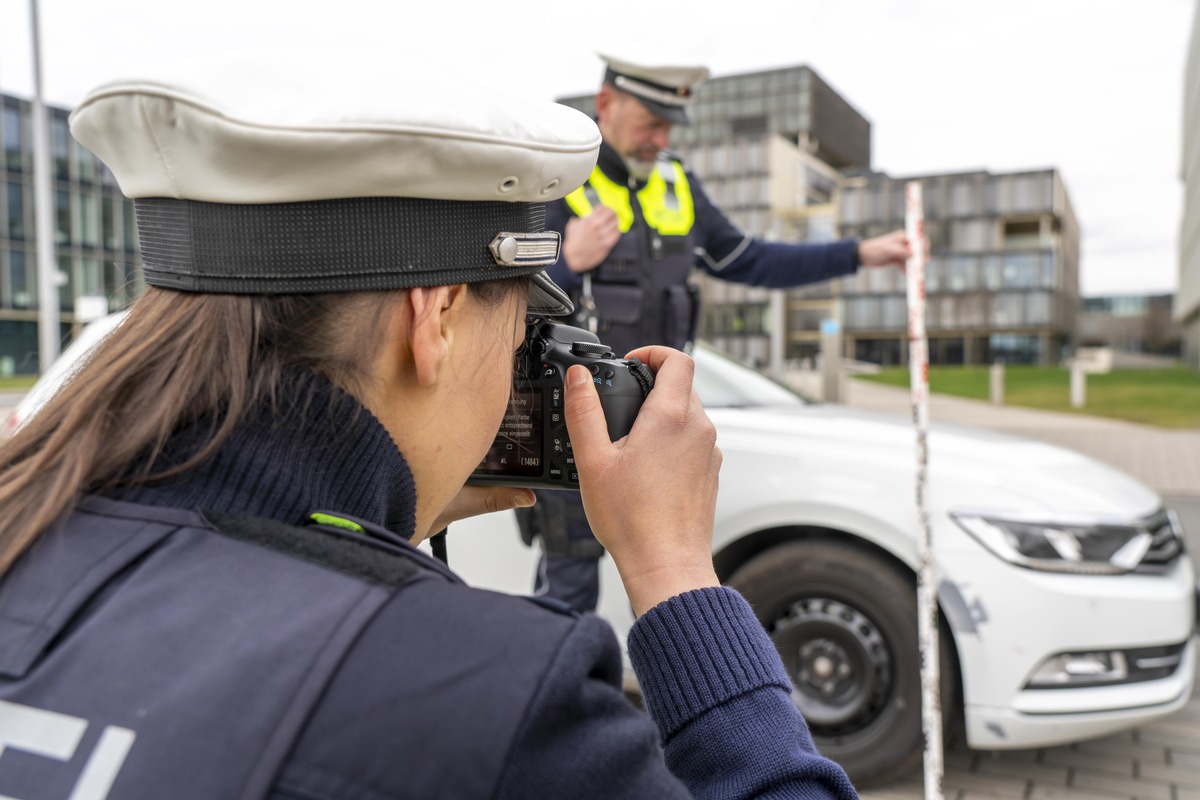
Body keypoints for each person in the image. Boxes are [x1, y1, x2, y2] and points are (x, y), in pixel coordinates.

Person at [0, 53, 859, 799]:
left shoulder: (25, 520)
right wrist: (677, 576)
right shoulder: (492, 703)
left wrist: (391, 520)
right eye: (520, 320)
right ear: (437, 317)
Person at [518, 53, 916, 613]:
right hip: (574, 425)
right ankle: (569, 698)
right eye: (650, 122)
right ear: (605, 105)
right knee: (568, 592)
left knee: (668, 584)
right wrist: (570, 261)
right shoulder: (558, 179)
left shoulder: (679, 183)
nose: (661, 138)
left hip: (659, 424)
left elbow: (752, 260)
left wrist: (860, 254)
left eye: (669, 125)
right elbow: (506, 292)